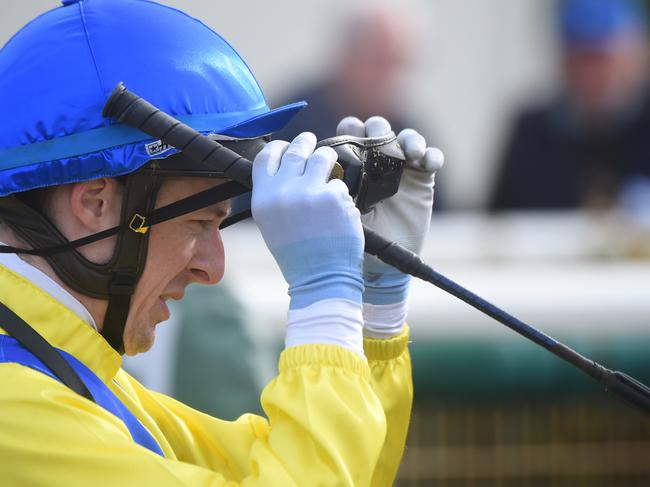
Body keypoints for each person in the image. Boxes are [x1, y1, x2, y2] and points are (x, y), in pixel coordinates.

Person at [0, 0, 443, 485]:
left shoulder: (63, 372)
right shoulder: (16, 404)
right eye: (198, 224)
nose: (213, 268)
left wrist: (371, 317)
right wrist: (324, 301)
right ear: (95, 203)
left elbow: (330, 468)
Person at [491, 0, 650, 212]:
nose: (592, 75)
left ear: (636, 56)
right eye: (580, 59)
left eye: (602, 59)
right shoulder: (532, 133)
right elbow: (498, 223)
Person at [273, 6, 415, 141]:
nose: (388, 74)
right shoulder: (291, 120)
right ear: (349, 55)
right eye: (378, 60)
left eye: (397, 62)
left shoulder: (407, 135)